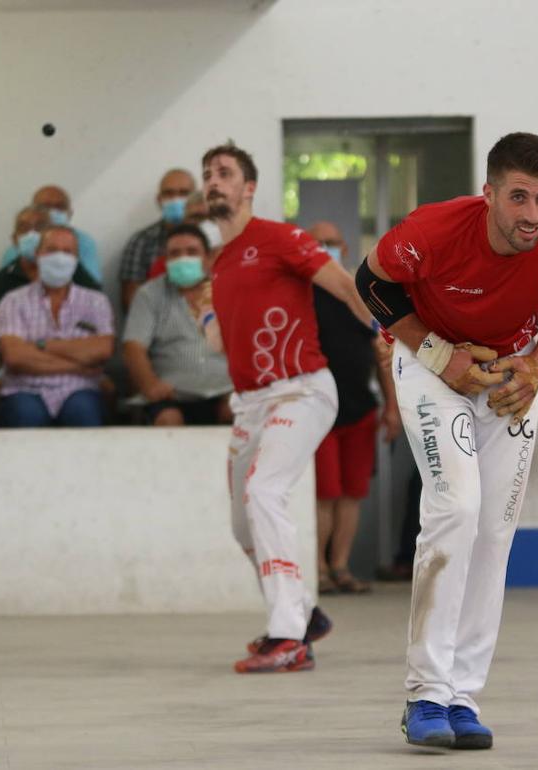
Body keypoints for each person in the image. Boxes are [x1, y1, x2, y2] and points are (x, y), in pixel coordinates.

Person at [356, 132, 538, 749]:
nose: (532, 214)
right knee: (455, 507)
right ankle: (425, 694)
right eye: (518, 197)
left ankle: (462, 695)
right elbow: (370, 283)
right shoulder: (432, 231)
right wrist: (439, 356)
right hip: (433, 366)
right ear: (488, 193)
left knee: (494, 528)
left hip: (511, 376)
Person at [191, 142, 377, 674]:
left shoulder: (279, 238)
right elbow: (223, 345)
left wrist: (396, 336)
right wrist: (205, 315)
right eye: (207, 174)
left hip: (302, 389)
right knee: (243, 527)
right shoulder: (219, 263)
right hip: (250, 404)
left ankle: (287, 636)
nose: (213, 181)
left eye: (224, 173)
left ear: (248, 187)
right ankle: (303, 614)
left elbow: (345, 287)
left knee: (265, 491)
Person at [308, 220, 401, 595]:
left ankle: (340, 566)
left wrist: (391, 407)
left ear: (344, 248)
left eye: (332, 242)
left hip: (360, 409)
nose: (327, 248)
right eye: (319, 243)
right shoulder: (301, 295)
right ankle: (317, 571)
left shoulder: (360, 295)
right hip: (318, 413)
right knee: (323, 494)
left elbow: (382, 357)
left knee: (351, 494)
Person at [0, 206, 104, 425]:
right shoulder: (2, 279)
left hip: (73, 368)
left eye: (39, 227)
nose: (31, 234)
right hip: (19, 368)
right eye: (24, 228)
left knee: (105, 392)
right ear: (14, 239)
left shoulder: (78, 274)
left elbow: (98, 333)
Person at [122, 225, 233, 426]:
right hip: (171, 393)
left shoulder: (230, 292)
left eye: (192, 252)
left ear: (208, 259)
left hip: (225, 388)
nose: (183, 259)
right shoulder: (149, 294)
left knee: (239, 413)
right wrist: (150, 385)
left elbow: (252, 344)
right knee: (168, 420)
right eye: (175, 253)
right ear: (165, 261)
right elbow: (133, 347)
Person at [118, 168, 197, 310]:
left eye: (184, 193)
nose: (176, 199)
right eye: (169, 193)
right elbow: (131, 301)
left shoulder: (215, 237)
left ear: (196, 197)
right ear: (159, 200)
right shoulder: (141, 242)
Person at [0, 186, 103, 284]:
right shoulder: (21, 245)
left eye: (60, 206)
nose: (53, 212)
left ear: (70, 213)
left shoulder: (83, 241)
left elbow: (92, 284)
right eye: (45, 206)